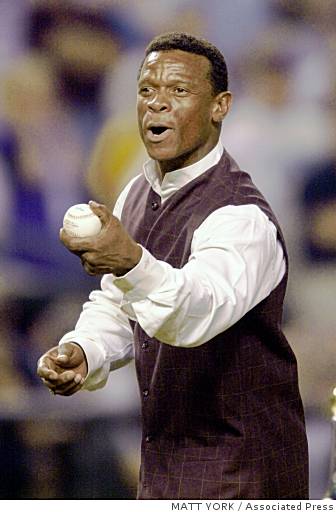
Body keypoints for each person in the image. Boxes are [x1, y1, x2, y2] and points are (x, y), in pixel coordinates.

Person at [37, 32, 309, 499]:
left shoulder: (241, 217)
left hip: (243, 474)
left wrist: (130, 261)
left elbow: (193, 314)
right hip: (165, 463)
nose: (157, 104)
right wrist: (86, 349)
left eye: (179, 91)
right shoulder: (137, 193)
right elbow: (122, 302)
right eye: (147, 90)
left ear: (220, 106)